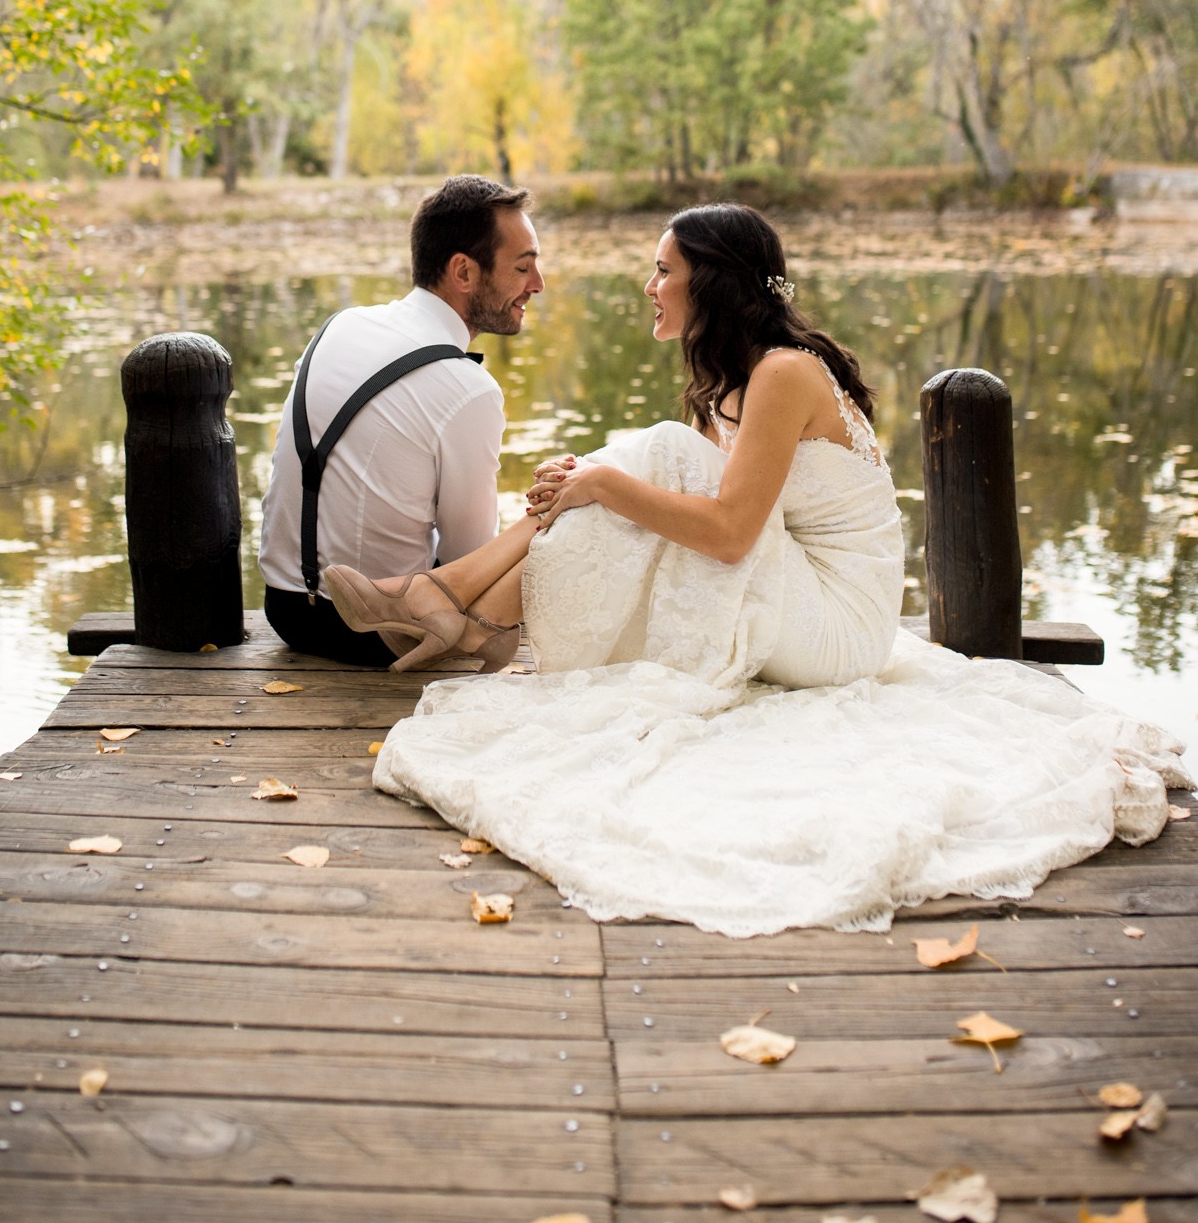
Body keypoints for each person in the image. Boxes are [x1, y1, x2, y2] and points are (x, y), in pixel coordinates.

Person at [326, 203, 1191, 937]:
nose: (649, 286)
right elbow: (682, 517)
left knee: (643, 463)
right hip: (792, 593)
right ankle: (463, 608)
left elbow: (730, 535)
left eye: (662, 270)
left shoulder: (783, 374)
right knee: (635, 471)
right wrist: (590, 483)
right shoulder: (734, 382)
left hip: (839, 623)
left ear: (710, 282)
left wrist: (603, 481)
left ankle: (458, 604)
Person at [257, 174, 543, 665]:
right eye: (522, 268)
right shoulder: (466, 388)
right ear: (463, 271)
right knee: (578, 502)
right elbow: (470, 557)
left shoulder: (339, 326)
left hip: (285, 610)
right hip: (377, 634)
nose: (537, 284)